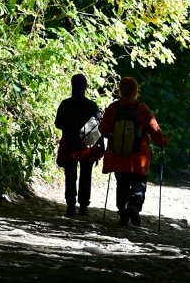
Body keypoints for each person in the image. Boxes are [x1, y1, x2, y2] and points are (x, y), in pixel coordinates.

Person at [98, 76, 167, 226]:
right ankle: (134, 207)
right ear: (136, 91)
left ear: (120, 90)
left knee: (122, 183)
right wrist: (161, 142)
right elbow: (154, 129)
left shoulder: (114, 108)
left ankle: (123, 213)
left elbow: (103, 129)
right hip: (138, 155)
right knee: (139, 182)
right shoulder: (142, 108)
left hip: (118, 154)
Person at [54, 73, 102, 217]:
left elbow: (58, 123)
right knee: (86, 175)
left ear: (72, 85)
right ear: (85, 87)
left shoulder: (65, 104)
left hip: (69, 144)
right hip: (87, 146)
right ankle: (83, 206)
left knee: (70, 175)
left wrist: (70, 127)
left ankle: (70, 205)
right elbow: (98, 127)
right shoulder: (92, 106)